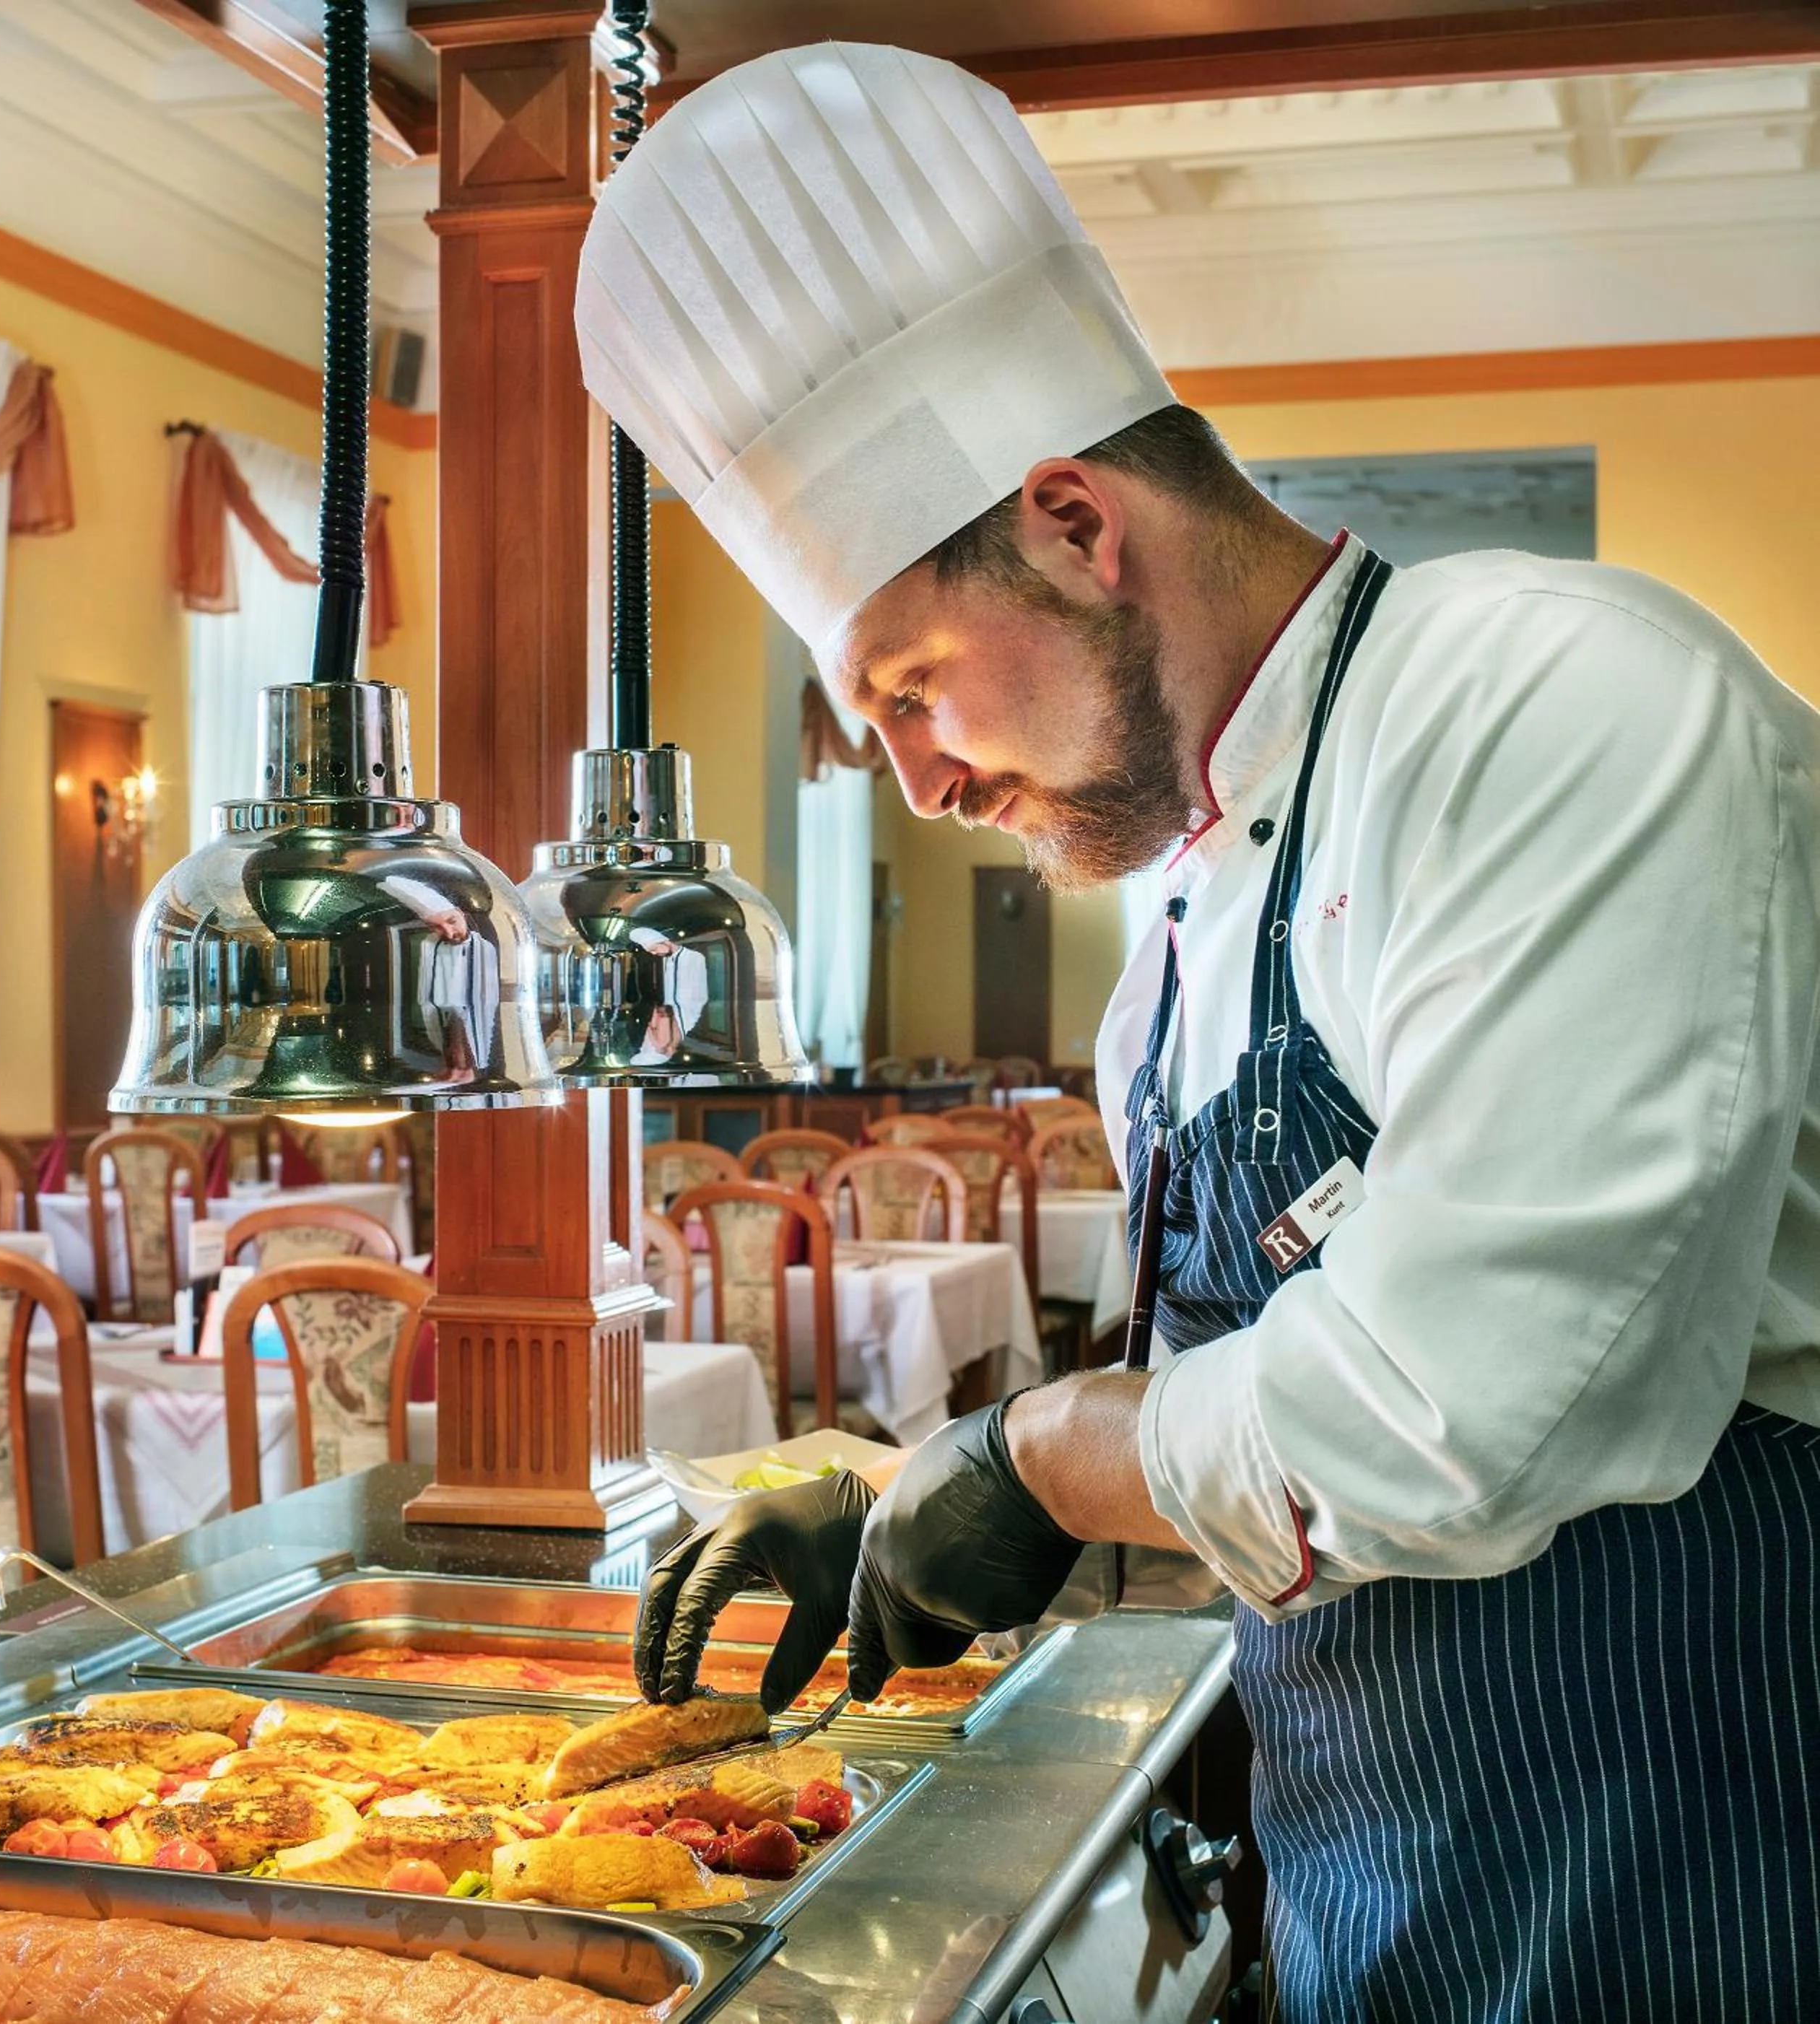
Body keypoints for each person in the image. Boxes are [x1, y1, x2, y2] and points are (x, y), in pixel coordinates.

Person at [579, 40, 1820, 2022]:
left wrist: (1038, 1452)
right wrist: (924, 1492)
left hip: (1699, 1902)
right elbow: (1236, 1423)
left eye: (908, 687)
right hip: (1374, 1903)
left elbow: (1459, 1411)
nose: (913, 779)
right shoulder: (1173, 927)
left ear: (1073, 523)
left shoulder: (1559, 710)